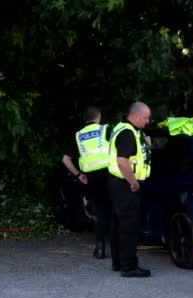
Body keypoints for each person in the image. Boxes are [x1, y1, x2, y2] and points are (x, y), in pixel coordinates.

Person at [108, 101, 152, 278]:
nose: (148, 121)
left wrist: (147, 145)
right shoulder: (127, 133)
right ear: (135, 116)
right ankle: (129, 266)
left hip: (116, 183)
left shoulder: (124, 129)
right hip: (125, 184)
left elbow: (137, 156)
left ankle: (118, 263)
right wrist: (133, 182)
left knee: (119, 224)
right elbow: (122, 161)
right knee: (129, 226)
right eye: (145, 117)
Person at [62, 106, 112, 259]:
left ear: (85, 119)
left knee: (99, 212)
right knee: (114, 210)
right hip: (110, 175)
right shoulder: (106, 130)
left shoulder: (79, 135)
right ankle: (120, 248)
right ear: (99, 117)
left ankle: (100, 248)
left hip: (91, 178)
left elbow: (65, 159)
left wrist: (78, 175)